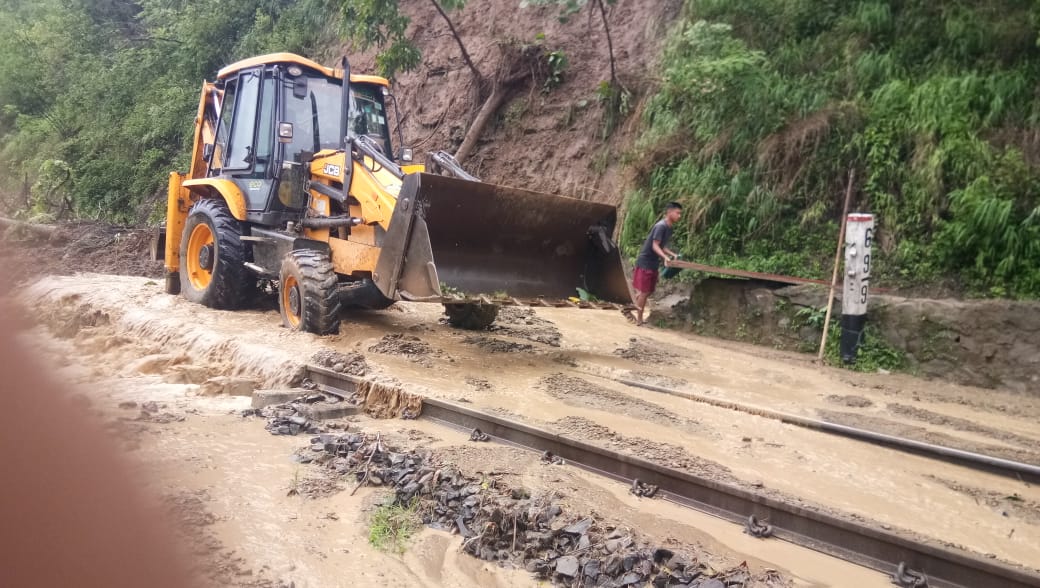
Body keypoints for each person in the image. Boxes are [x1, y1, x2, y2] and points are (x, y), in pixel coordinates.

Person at [631, 201, 682, 325]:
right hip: (646, 261)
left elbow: (661, 246)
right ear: (669, 212)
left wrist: (672, 255)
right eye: (677, 213)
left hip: (653, 262)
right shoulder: (661, 226)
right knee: (644, 292)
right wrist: (665, 257)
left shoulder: (669, 227)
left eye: (680, 214)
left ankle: (635, 307)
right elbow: (654, 246)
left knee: (648, 291)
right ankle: (639, 319)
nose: (679, 216)